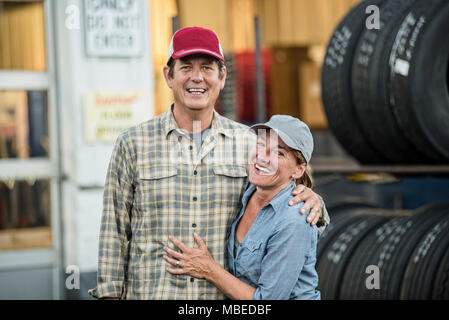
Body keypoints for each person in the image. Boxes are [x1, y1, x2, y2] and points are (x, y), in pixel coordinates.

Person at [89, 26, 329, 300]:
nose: (197, 77)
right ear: (169, 75)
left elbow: (284, 193)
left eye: (206, 68)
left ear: (222, 76)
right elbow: (114, 232)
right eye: (186, 67)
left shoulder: (248, 144)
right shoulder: (132, 143)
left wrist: (315, 201)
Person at [164, 115, 321, 299]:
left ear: (298, 170)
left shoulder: (293, 220)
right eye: (261, 145)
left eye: (279, 153)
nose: (263, 157)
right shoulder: (246, 190)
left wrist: (209, 269)